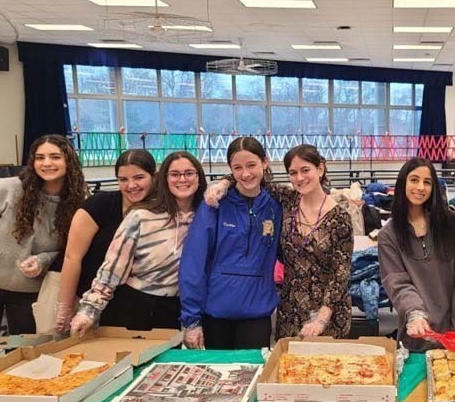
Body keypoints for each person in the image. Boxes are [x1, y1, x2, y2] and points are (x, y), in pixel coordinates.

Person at [206, 144, 353, 339]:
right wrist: (223, 183)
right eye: (293, 173)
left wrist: (321, 319)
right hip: (292, 308)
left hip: (329, 310)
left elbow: (340, 274)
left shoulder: (340, 217)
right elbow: (251, 175)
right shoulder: (288, 200)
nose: (299, 178)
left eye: (305, 170)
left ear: (320, 168)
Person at [69, 152, 206, 336]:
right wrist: (89, 310)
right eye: (175, 174)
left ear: (199, 176)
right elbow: (112, 268)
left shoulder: (206, 216)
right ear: (164, 178)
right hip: (133, 306)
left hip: (176, 308)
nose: (182, 179)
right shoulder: (141, 216)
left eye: (189, 173)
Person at [0, 134, 86, 334]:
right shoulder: (5, 188)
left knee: (24, 351)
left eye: (55, 157)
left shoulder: (79, 203)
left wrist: (43, 261)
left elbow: (72, 251)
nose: (47, 163)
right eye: (40, 157)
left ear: (69, 161)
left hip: (31, 291)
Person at [179, 137, 283, 350]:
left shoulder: (277, 206)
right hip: (216, 313)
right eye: (237, 167)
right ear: (230, 170)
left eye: (251, 165)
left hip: (257, 313)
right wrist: (191, 320)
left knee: (253, 376)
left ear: (265, 162)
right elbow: (193, 262)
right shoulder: (214, 203)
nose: (245, 174)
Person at [52, 149, 156, 333]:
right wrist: (65, 307)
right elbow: (71, 257)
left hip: (119, 300)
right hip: (76, 291)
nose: (131, 185)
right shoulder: (100, 204)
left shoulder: (159, 210)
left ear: (153, 177)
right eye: (123, 179)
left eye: (139, 177)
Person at [378, 157, 455, 351]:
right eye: (414, 180)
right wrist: (415, 313)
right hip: (415, 334)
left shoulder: (451, 225)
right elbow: (397, 282)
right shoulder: (389, 235)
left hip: (453, 336)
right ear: (403, 182)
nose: (420, 187)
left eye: (427, 182)